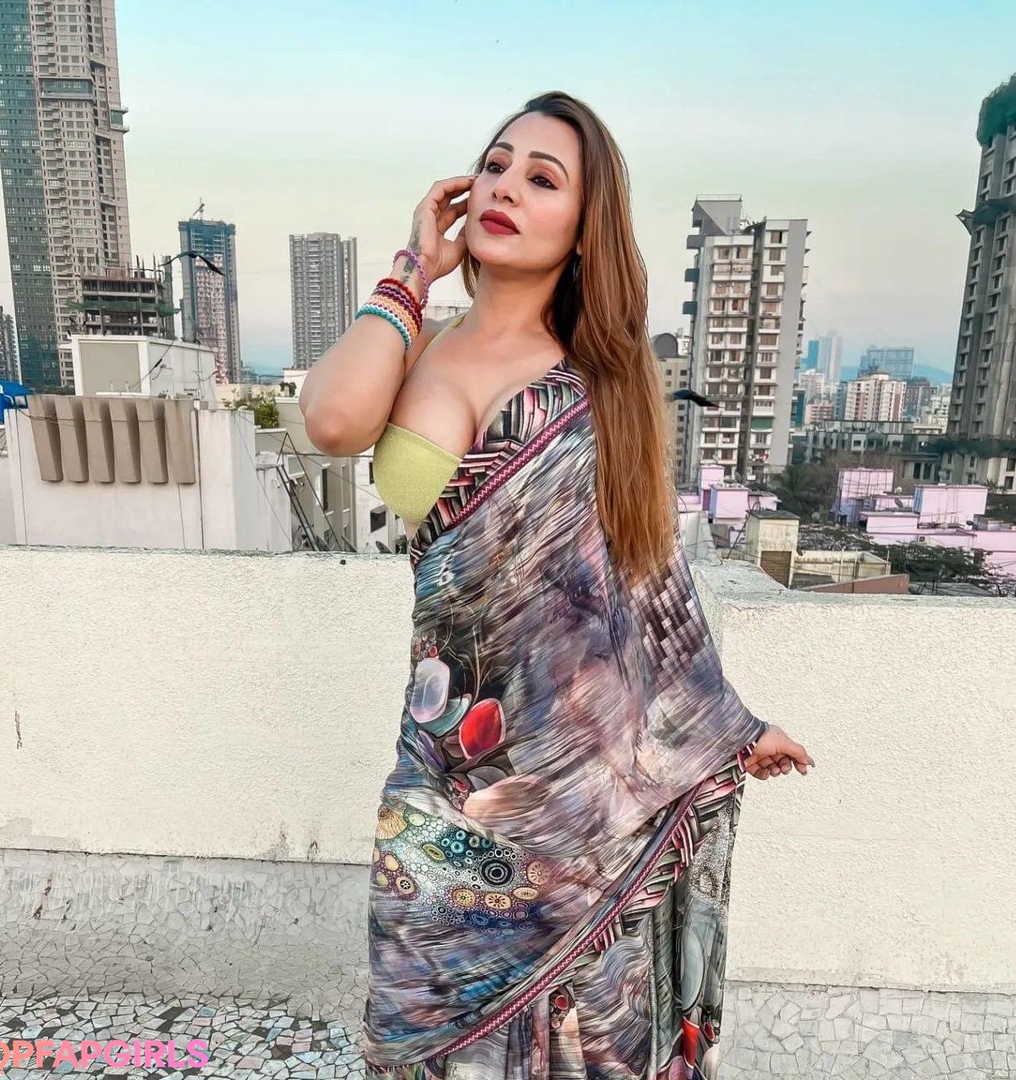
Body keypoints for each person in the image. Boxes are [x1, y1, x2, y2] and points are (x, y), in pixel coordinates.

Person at [300, 90, 813, 1080]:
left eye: (543, 179)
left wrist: (732, 726)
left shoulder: (597, 385)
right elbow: (330, 422)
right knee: (424, 1020)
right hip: (442, 772)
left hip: (571, 794)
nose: (506, 189)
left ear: (584, 229)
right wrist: (414, 267)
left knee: (578, 1033)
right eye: (494, 166)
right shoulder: (416, 344)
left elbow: (649, 575)